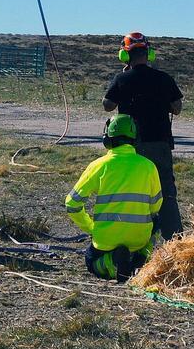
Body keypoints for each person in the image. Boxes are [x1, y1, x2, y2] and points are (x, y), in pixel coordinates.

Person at [102, 31, 185, 239]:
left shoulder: (122, 78)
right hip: (160, 144)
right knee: (166, 192)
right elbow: (177, 108)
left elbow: (107, 105)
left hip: (132, 147)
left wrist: (123, 82)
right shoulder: (164, 78)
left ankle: (133, 236)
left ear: (125, 55)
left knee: (132, 192)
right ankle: (175, 242)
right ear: (149, 54)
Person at [65, 114, 163, 282]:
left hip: (106, 240)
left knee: (90, 260)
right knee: (157, 223)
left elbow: (72, 203)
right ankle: (143, 257)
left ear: (106, 138)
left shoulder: (99, 165)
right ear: (135, 138)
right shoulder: (148, 166)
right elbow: (156, 207)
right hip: (139, 239)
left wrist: (91, 227)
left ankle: (111, 264)